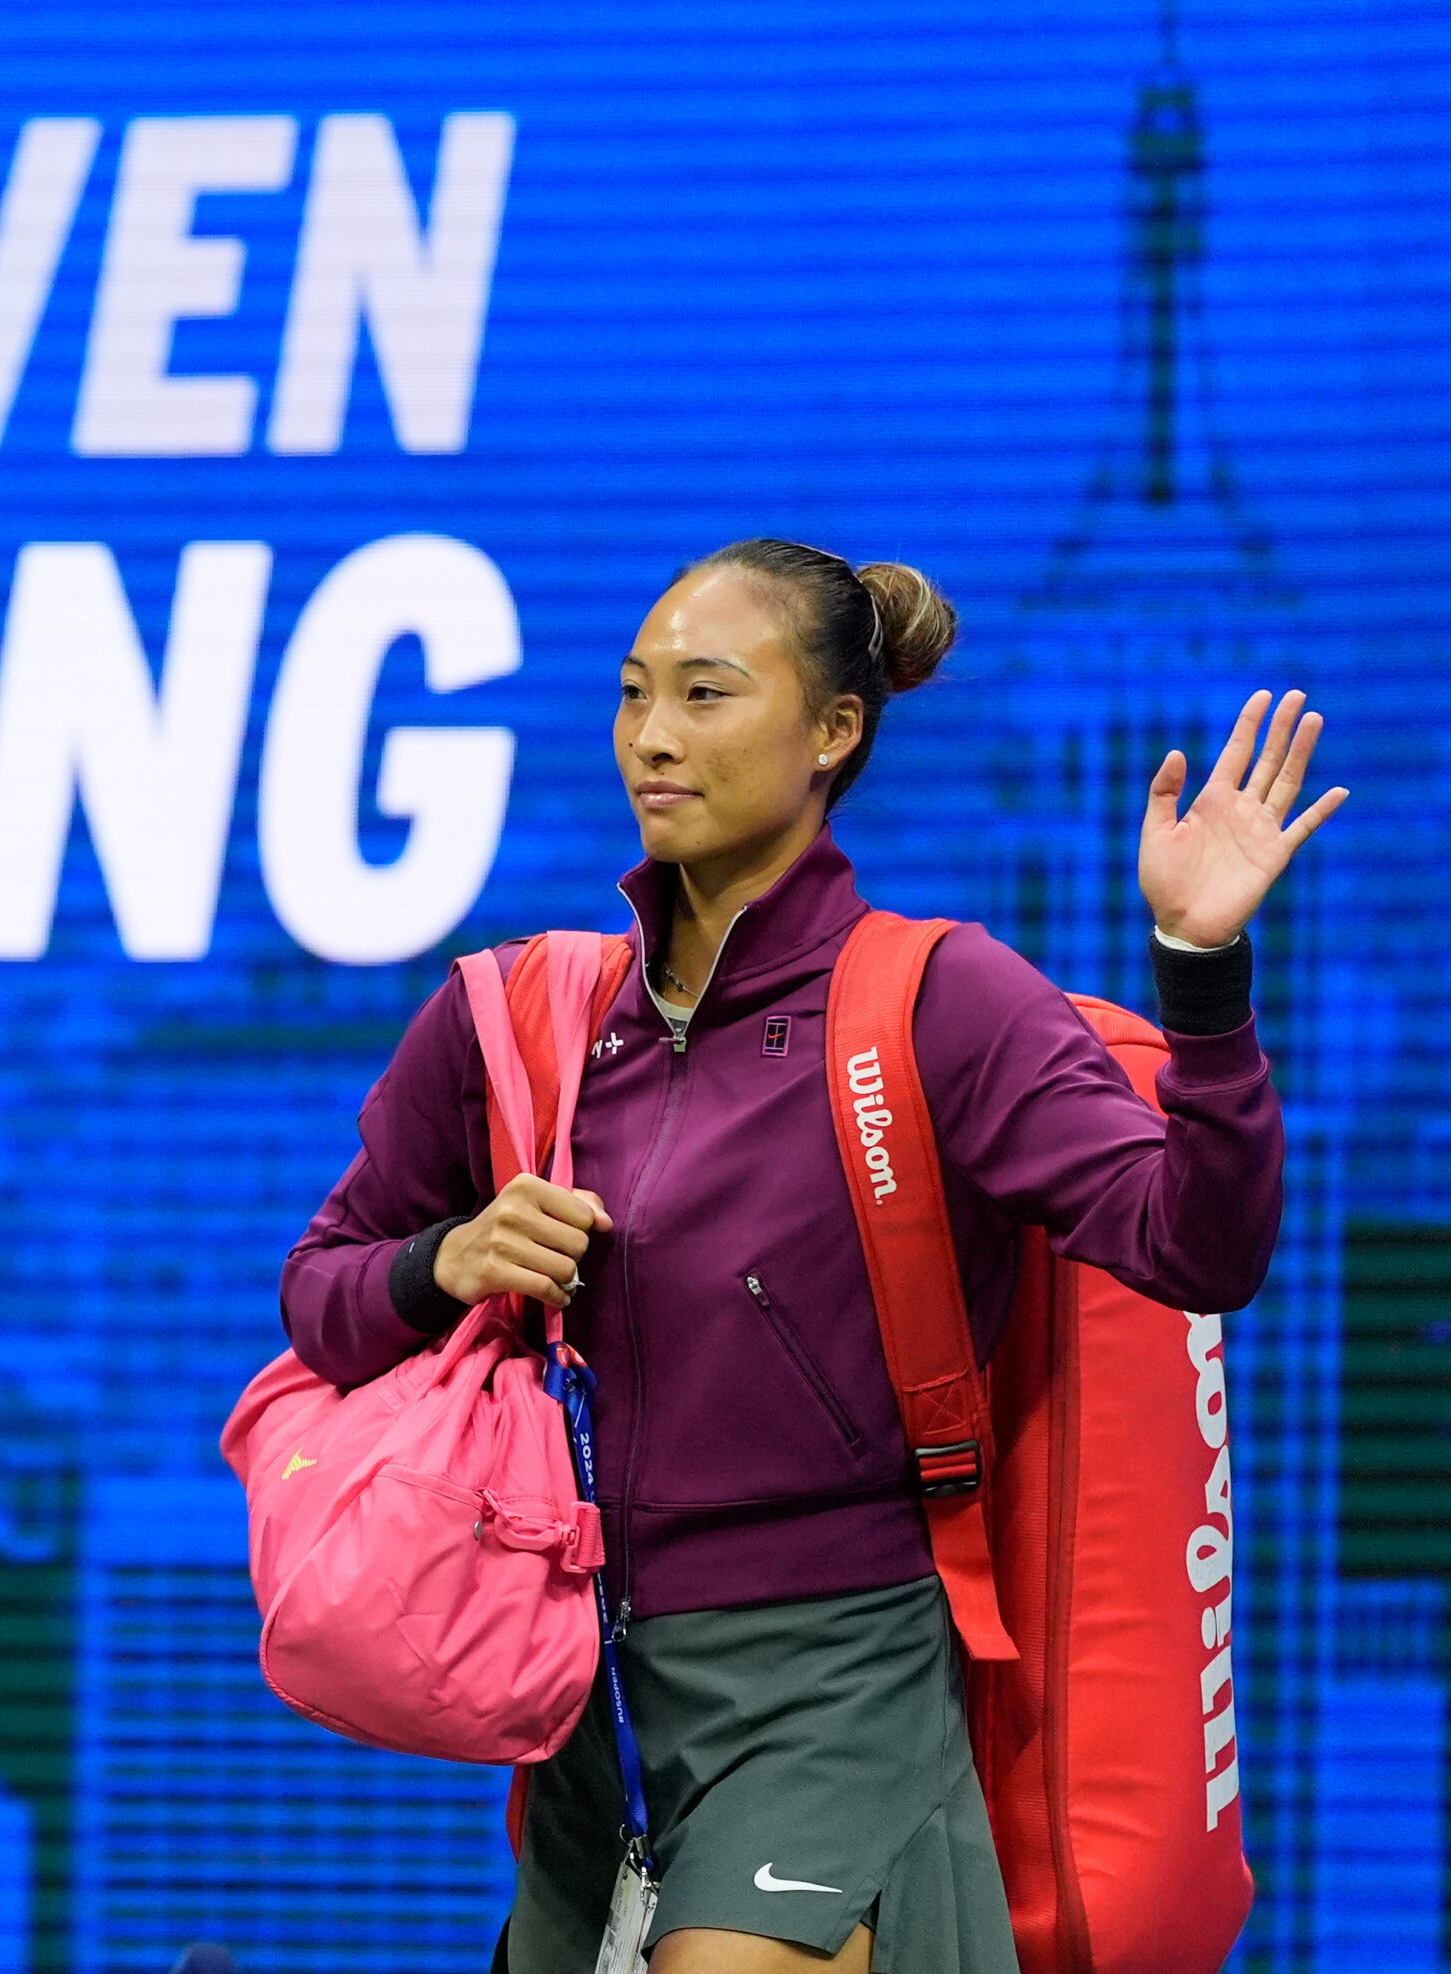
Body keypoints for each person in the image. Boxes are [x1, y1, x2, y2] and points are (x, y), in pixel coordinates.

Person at [279, 538, 1345, 1974]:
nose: (653, 737)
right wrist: (444, 1263)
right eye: (636, 694)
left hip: (836, 1677)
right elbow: (321, 1297)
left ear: (835, 729)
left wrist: (1199, 973)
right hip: (585, 1699)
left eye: (708, 695)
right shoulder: (513, 1014)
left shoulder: (939, 997)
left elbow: (1197, 1245)